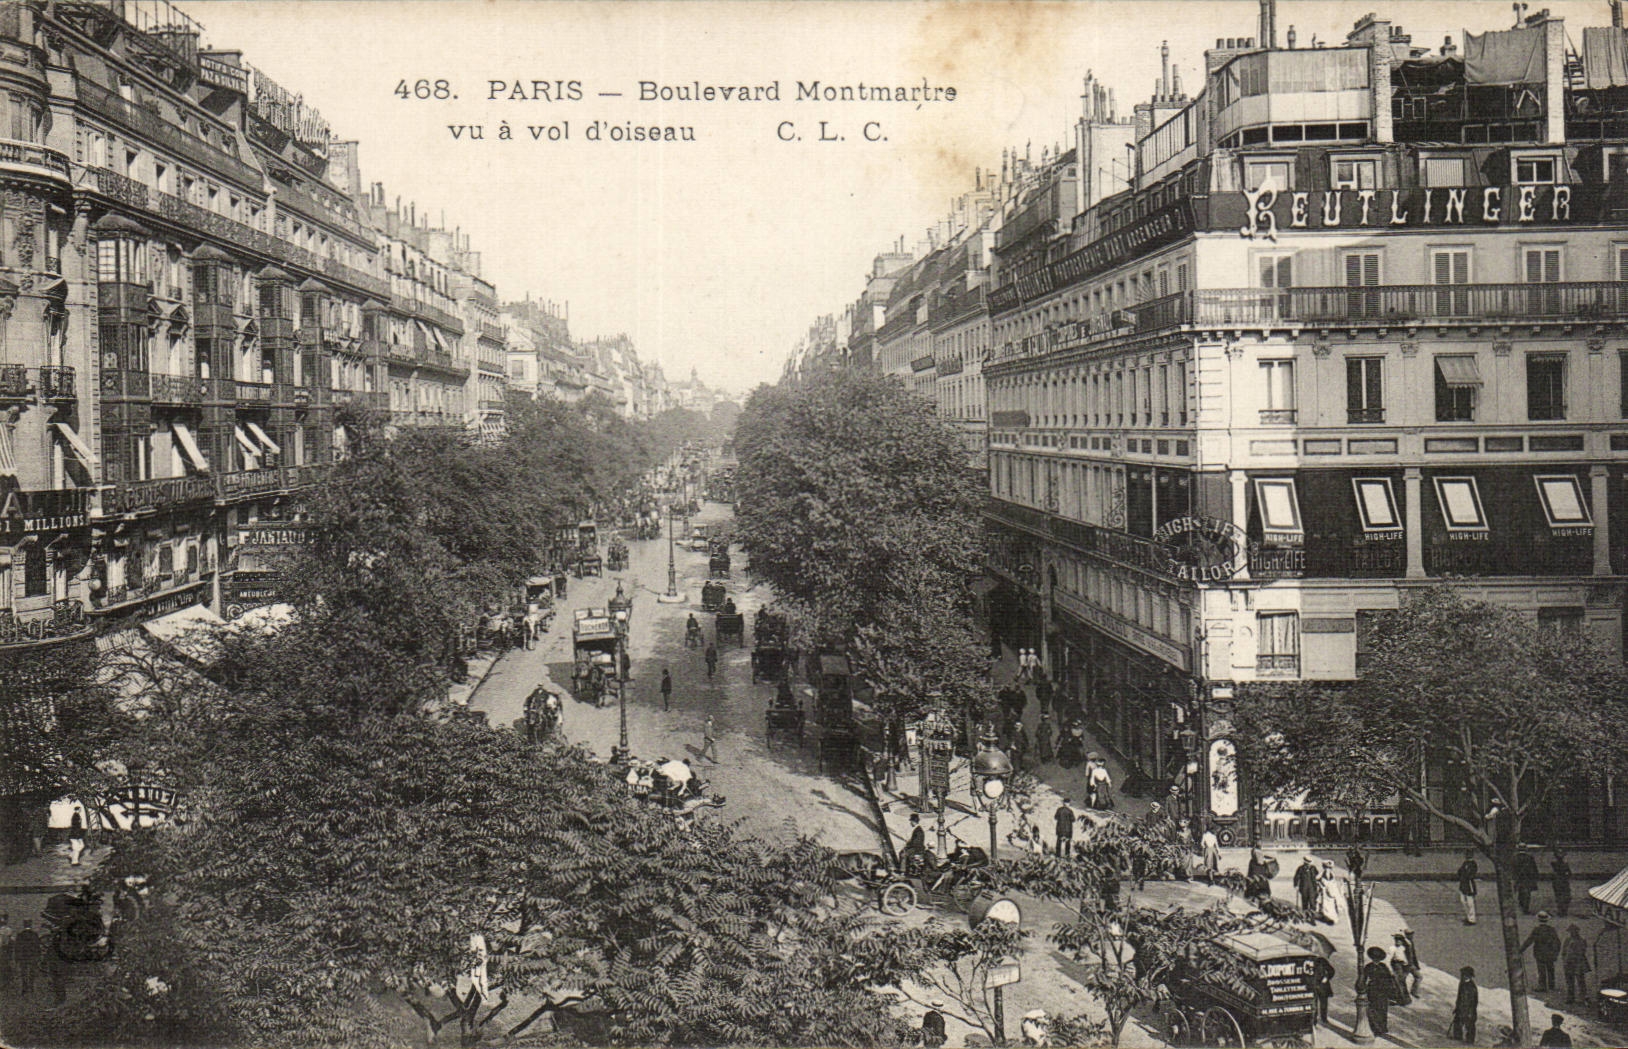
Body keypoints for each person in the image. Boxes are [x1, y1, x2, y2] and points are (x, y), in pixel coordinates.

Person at [1357, 945, 1398, 1036]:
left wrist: (1391, 991)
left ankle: (1382, 1028)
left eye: (1378, 958)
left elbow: (1389, 978)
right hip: (1373, 990)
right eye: (1375, 958)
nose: (1377, 960)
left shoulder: (1383, 966)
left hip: (1383, 990)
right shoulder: (1369, 967)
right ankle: (1375, 1028)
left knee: (1383, 1009)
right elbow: (1364, 978)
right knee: (1374, 1009)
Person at [1522, 911, 1562, 992]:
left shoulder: (1537, 930)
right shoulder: (1552, 930)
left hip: (1539, 953)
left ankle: (1542, 986)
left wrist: (1521, 949)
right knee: (1550, 969)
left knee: (1541, 970)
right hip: (1550, 953)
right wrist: (1556, 953)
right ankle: (1551, 986)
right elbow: (1558, 942)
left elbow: (1529, 940)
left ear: (1538, 920)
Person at [1449, 966, 1479, 1044]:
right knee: (1457, 1022)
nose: (1462, 976)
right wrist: (1457, 1007)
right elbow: (1459, 997)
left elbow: (1473, 1002)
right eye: (1462, 974)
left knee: (1469, 1025)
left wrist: (1470, 1012)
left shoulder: (1472, 987)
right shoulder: (1462, 983)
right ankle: (1457, 1037)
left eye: (1464, 974)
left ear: (1469, 976)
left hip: (1469, 1010)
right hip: (1461, 1008)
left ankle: (1470, 1041)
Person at [1562, 923, 1591, 1004]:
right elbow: (1564, 951)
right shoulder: (1567, 940)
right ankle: (1570, 997)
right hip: (1569, 963)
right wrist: (1564, 961)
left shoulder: (1582, 940)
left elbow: (1582, 951)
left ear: (1577, 932)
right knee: (1569, 981)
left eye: (1574, 931)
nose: (1572, 933)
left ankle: (1582, 997)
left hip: (1578, 963)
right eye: (1571, 931)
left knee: (1580, 981)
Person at [12, 919, 41, 996]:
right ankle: (31, 987)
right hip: (33, 956)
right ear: (30, 925)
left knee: (23, 972)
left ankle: (24, 988)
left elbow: (17, 947)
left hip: (23, 957)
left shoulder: (20, 935)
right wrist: (38, 956)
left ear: (24, 925)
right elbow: (37, 946)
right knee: (32, 972)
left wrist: (16, 958)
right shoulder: (35, 934)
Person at [1389, 933, 1415, 1006]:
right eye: (1396, 940)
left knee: (1402, 982)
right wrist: (1391, 969)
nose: (1398, 942)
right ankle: (1399, 999)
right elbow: (1390, 958)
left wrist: (1406, 963)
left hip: (1402, 966)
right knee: (1398, 982)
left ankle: (1405, 999)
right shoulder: (1392, 948)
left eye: (1399, 941)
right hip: (1396, 965)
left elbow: (1404, 957)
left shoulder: (1403, 948)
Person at [1309, 954, 1334, 1026]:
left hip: (1320, 985)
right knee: (1315, 1003)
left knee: (1322, 1003)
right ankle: (1315, 1019)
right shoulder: (1311, 960)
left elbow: (1331, 971)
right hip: (1314, 985)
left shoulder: (1321, 960)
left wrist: (1326, 977)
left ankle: (1322, 1018)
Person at [1516, 844, 1541, 915]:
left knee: (1521, 892)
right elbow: (1534, 868)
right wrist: (1536, 876)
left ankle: (1522, 906)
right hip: (1528, 878)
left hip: (1519, 878)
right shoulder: (1529, 857)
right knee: (1527, 894)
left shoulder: (1515, 857)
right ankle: (1525, 908)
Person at [1318, 861, 1344, 926]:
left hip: (1331, 891)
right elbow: (1317, 879)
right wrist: (1321, 885)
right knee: (1325, 905)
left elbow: (1333, 883)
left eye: (1329, 868)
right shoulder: (1321, 874)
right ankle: (1327, 918)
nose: (1328, 869)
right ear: (1324, 868)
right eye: (1327, 868)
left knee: (1332, 906)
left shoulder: (1332, 874)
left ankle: (1333, 918)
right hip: (1324, 893)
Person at [1457, 850, 1479, 925]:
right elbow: (1460, 871)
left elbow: (1471, 874)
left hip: (1469, 884)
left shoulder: (1473, 864)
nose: (1467, 856)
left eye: (1469, 854)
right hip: (1463, 884)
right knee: (1463, 900)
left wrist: (1465, 875)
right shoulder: (1465, 863)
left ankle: (1472, 919)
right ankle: (1468, 916)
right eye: (1467, 854)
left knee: (1470, 902)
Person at [1552, 848, 1573, 918]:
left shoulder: (1554, 864)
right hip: (1563, 881)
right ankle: (1563, 910)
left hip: (1558, 881)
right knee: (1565, 896)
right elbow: (1569, 873)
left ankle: (1561, 910)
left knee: (1559, 896)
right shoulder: (1564, 864)